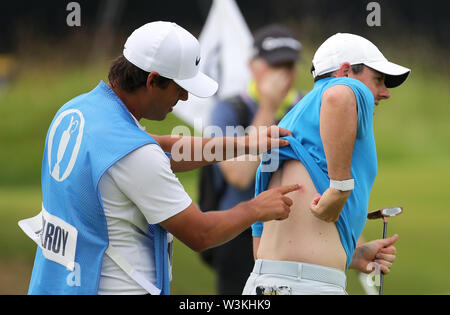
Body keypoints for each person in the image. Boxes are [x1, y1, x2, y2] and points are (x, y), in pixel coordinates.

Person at [18, 21, 301, 295]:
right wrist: (256, 209)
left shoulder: (77, 111)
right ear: (153, 80)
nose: (185, 98)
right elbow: (201, 234)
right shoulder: (136, 156)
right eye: (179, 88)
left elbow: (165, 147)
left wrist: (246, 144)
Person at [242, 33, 410, 295]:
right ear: (345, 71)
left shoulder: (292, 119)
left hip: (262, 282)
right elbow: (338, 96)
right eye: (377, 80)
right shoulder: (344, 90)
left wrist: (351, 255)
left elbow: (261, 242)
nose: (384, 92)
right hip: (309, 286)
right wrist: (339, 190)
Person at [201, 24, 303, 294]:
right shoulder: (229, 109)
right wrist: (268, 107)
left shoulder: (305, 107)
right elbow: (238, 175)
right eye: (275, 65)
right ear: (253, 66)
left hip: (292, 234)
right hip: (239, 236)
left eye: (289, 66)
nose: (284, 74)